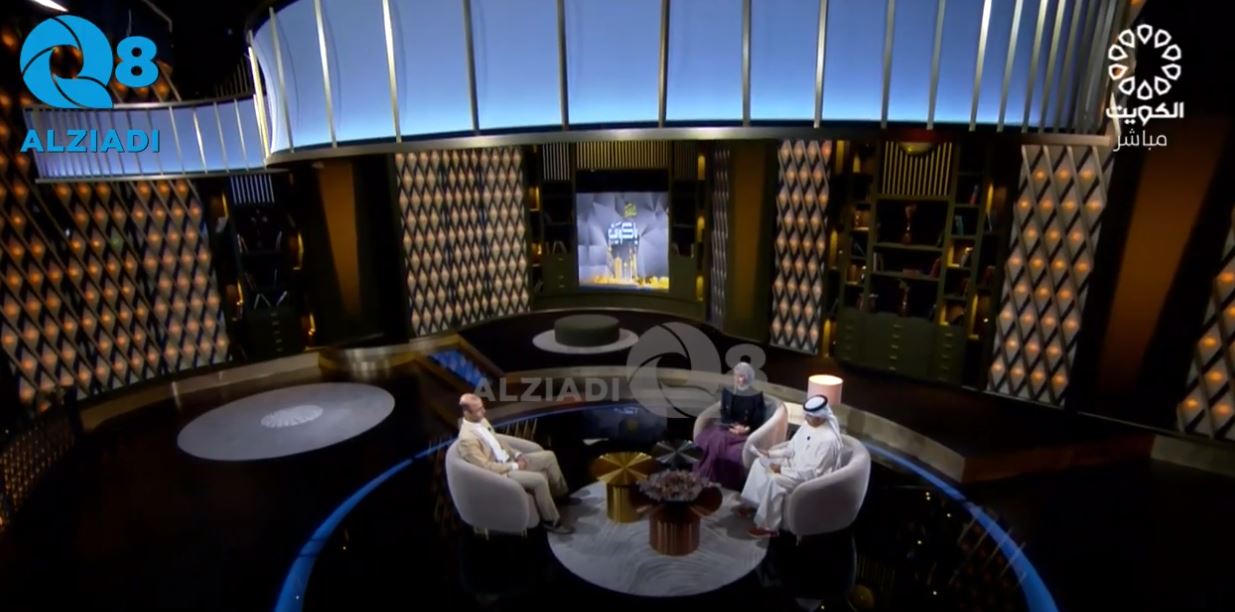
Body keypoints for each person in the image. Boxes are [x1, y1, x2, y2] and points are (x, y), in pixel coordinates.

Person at [456, 393, 574, 534]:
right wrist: (515, 466)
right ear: (467, 412)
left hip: (510, 460)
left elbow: (498, 441)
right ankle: (551, 521)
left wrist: (516, 454)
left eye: (483, 407)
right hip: (501, 473)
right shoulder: (467, 440)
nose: (484, 411)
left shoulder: (482, 420)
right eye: (479, 410)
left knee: (549, 456)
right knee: (539, 480)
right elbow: (486, 467)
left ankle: (559, 496)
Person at [739, 393, 843, 538]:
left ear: (819, 417)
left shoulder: (828, 441)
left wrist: (781, 469)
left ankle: (768, 527)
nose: (805, 419)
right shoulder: (807, 426)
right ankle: (753, 504)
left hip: (806, 478)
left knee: (775, 480)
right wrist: (770, 454)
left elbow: (814, 473)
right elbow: (792, 449)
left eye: (809, 416)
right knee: (759, 463)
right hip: (792, 466)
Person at [692, 362, 776, 490]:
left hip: (745, 432)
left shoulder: (756, 395)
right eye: (738, 376)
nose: (740, 380)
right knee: (704, 439)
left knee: (718, 442)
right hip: (727, 427)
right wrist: (732, 425)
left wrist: (746, 429)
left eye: (743, 377)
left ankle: (710, 480)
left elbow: (758, 420)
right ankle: (698, 476)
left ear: (749, 378)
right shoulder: (727, 391)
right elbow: (724, 414)